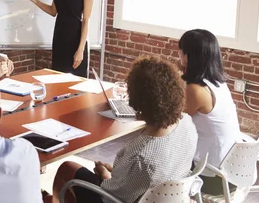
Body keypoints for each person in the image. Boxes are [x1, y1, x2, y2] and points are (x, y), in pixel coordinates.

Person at [45, 56, 198, 203]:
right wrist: (114, 170)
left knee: (67, 168)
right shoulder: (187, 123)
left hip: (116, 199)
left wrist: (104, 173)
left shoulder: (141, 155)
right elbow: (140, 179)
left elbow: (112, 194)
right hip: (169, 196)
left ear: (137, 101)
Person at [179, 29, 241, 195]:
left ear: (189, 56)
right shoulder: (218, 83)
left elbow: (174, 120)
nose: (179, 54)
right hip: (236, 172)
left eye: (181, 50)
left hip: (213, 179)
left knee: (161, 161)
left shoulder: (196, 90)